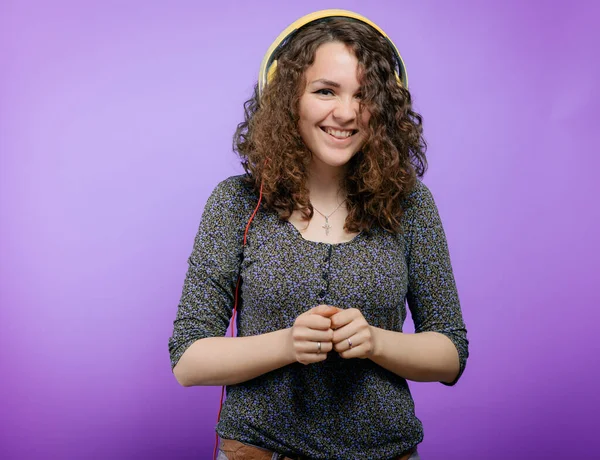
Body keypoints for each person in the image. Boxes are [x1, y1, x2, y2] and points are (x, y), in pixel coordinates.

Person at [168, 9, 468, 460]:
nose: (346, 113)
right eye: (325, 91)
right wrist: (287, 343)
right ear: (288, 98)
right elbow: (187, 360)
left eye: (364, 96)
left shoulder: (410, 205)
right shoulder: (236, 203)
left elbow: (451, 353)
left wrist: (377, 342)